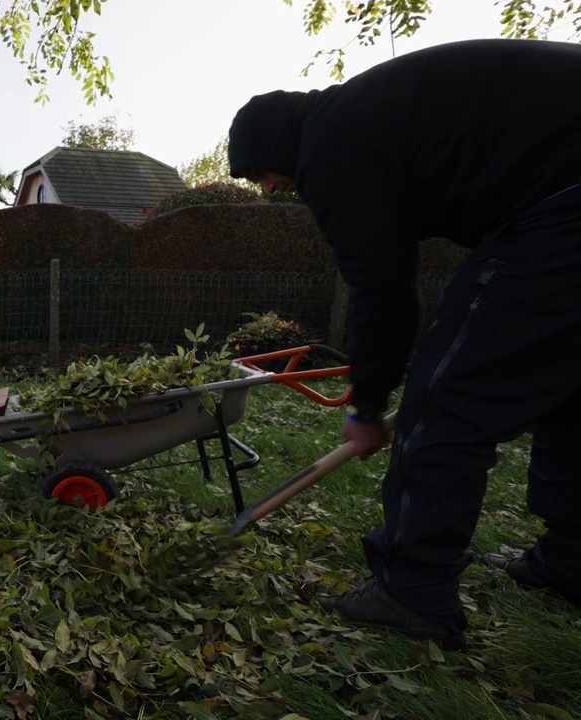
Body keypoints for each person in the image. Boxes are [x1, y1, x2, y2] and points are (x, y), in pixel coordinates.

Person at [226, 38, 581, 649]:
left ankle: (412, 592)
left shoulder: (334, 145)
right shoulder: (370, 118)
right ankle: (573, 560)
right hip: (560, 190)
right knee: (569, 388)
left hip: (564, 207)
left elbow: (384, 294)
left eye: (261, 173)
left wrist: (367, 406)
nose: (270, 189)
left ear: (276, 147)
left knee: (448, 394)